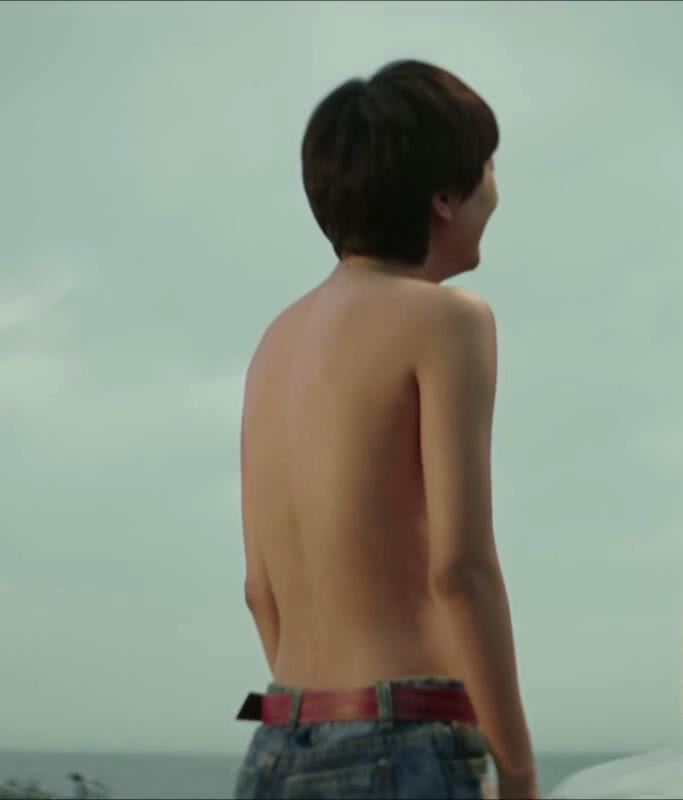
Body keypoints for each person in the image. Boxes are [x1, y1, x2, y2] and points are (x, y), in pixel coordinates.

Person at [231, 59, 537, 800]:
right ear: (444, 197)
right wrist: (519, 770)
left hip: (278, 742)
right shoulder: (448, 320)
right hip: (402, 743)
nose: (496, 189)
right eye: (489, 166)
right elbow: (460, 567)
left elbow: (260, 592)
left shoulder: (274, 343)